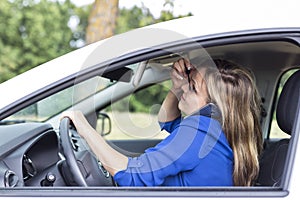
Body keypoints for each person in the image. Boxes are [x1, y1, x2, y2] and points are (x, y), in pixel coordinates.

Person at [62, 58, 263, 186]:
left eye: (192, 87)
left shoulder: (202, 129)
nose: (185, 88)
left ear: (215, 104)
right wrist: (178, 86)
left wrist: (84, 127)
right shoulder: (217, 131)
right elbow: (167, 122)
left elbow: (130, 175)